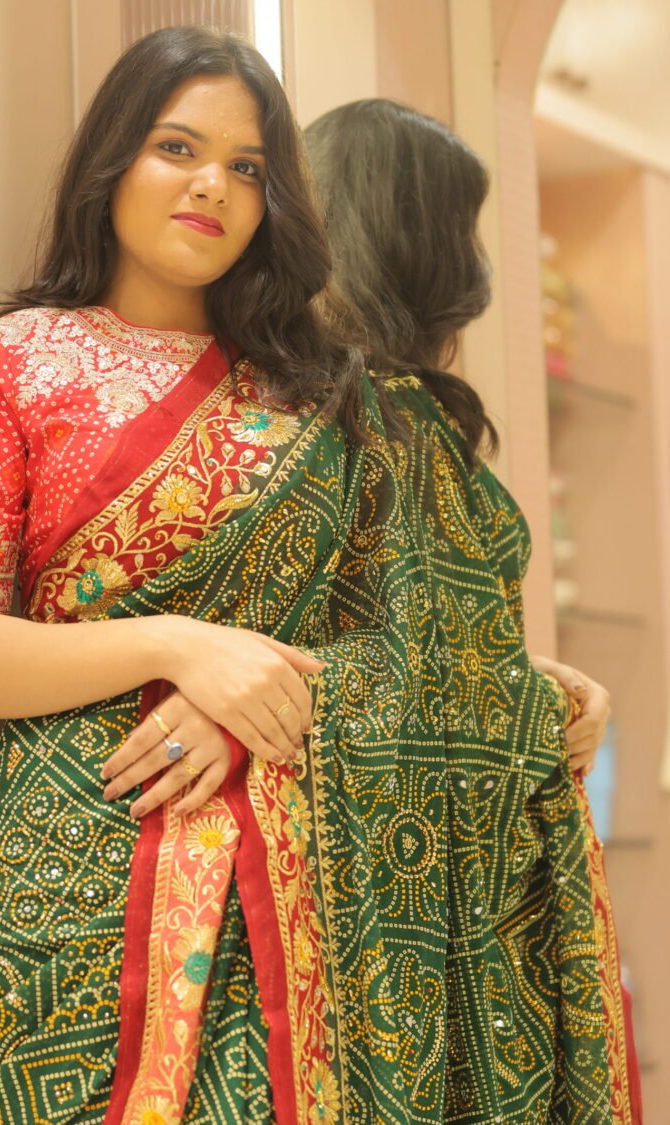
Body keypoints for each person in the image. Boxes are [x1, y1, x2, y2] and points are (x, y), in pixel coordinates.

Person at [0, 26, 385, 1125]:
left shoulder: (319, 404)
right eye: (178, 147)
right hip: (66, 882)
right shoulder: (13, 363)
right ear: (114, 159)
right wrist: (180, 646)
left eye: (248, 168)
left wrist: (251, 706)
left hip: (286, 870)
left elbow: (390, 645)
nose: (214, 184)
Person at [303, 97, 642, 1124]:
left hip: (390, 882)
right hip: (394, 894)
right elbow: (397, 665)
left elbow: (413, 642)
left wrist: (531, 681)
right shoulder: (368, 424)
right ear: (428, 244)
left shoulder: (373, 418)